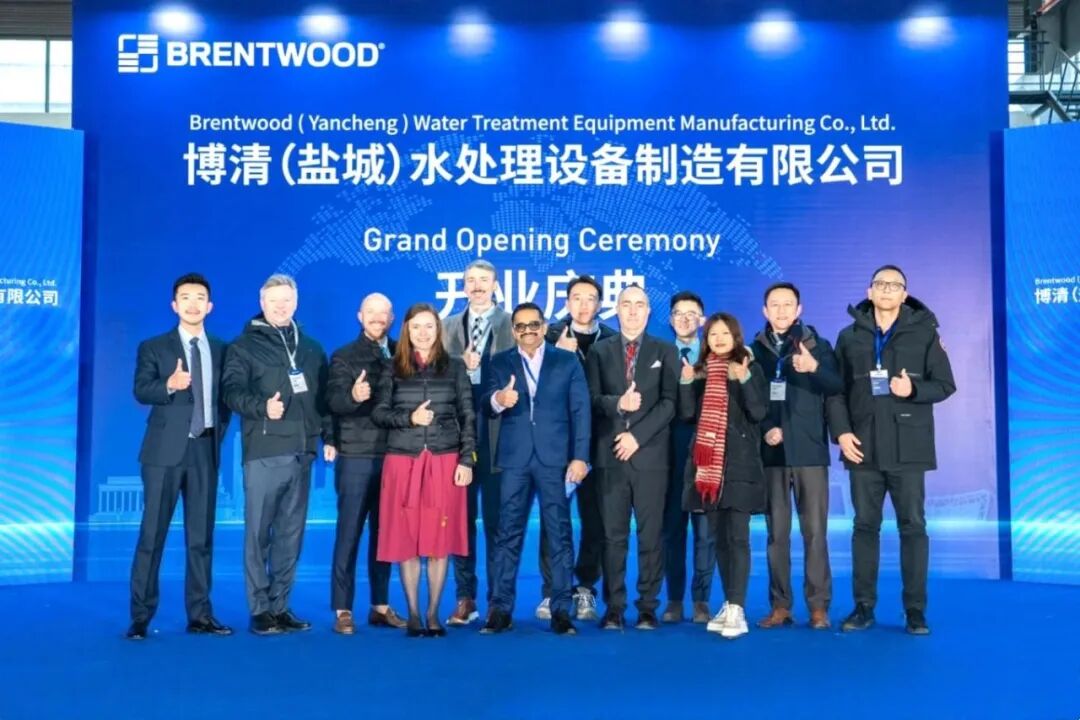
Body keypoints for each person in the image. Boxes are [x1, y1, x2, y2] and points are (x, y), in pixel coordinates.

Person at [827, 265, 955, 636]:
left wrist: (912, 390)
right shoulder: (849, 337)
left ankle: (915, 610)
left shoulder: (925, 334)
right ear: (869, 292)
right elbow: (835, 392)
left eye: (894, 285)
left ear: (904, 294)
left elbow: (945, 384)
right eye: (880, 284)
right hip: (862, 448)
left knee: (913, 527)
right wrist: (842, 433)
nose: (886, 290)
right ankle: (863, 606)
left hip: (908, 448)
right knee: (864, 527)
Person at [221, 273, 335, 636]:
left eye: (287, 300)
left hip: (304, 452)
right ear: (262, 302)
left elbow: (323, 400)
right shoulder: (244, 346)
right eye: (274, 301)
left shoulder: (311, 348)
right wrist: (261, 407)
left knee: (290, 535)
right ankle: (259, 610)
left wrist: (328, 436)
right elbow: (230, 392)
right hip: (265, 451)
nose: (281, 306)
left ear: (295, 302)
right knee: (258, 534)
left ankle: (280, 605)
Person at [127, 273, 232, 640]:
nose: (192, 303)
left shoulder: (222, 349)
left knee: (201, 538)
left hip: (204, 450)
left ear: (210, 306)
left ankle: (200, 615)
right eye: (185, 297)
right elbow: (141, 390)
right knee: (152, 536)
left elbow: (226, 400)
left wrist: (215, 433)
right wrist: (169, 385)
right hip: (163, 454)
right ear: (174, 305)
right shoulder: (154, 347)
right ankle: (140, 617)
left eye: (200, 297)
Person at [480, 303, 591, 636]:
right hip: (514, 459)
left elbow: (581, 411)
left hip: (555, 459)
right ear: (513, 330)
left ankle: (561, 610)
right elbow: (486, 402)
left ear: (543, 327)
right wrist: (499, 399)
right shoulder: (500, 362)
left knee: (559, 534)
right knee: (507, 534)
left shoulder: (566, 361)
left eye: (533, 325)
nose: (527, 331)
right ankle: (500, 610)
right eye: (520, 326)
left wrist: (580, 457)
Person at [372, 303, 476, 637]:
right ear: (406, 330)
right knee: (407, 538)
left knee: (438, 540)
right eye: (416, 326)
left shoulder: (455, 367)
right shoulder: (392, 367)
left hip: (445, 460)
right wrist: (410, 418)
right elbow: (379, 413)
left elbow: (468, 416)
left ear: (438, 330)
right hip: (403, 460)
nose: (423, 332)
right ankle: (414, 614)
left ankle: (433, 613)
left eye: (429, 326)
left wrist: (467, 460)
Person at [751, 282, 842, 631]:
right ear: (765, 310)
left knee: (815, 533)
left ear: (799, 309)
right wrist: (765, 430)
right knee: (776, 535)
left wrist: (814, 367)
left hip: (809, 452)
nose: (781, 311)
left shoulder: (818, 345)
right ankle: (780, 606)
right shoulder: (754, 351)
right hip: (772, 452)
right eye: (774, 305)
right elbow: (750, 400)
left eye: (788, 304)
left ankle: (818, 607)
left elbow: (836, 386)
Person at [586, 285, 678, 631]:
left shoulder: (665, 350)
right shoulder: (599, 351)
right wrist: (618, 404)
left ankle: (647, 607)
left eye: (640, 305)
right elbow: (592, 399)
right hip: (610, 457)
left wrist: (637, 436)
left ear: (649, 311)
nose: (633, 311)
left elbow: (670, 403)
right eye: (627, 304)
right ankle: (614, 607)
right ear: (617, 309)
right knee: (613, 536)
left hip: (650, 456)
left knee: (651, 536)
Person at [679, 312, 768, 639]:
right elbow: (687, 414)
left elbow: (758, 412)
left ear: (736, 337)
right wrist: (686, 382)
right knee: (718, 539)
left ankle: (738, 609)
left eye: (724, 334)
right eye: (713, 334)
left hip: (740, 465)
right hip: (708, 470)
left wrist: (744, 379)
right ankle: (730, 603)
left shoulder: (750, 367)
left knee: (738, 538)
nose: (718, 339)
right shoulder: (700, 372)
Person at [536, 274, 616, 622]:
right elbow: (535, 390)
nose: (584, 305)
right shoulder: (548, 337)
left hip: (598, 442)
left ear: (600, 304)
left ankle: (585, 587)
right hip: (555, 443)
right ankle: (552, 589)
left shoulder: (611, 340)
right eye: (577, 298)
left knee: (595, 520)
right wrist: (558, 358)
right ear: (567, 302)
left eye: (591, 298)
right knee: (553, 518)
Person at [325, 292, 407, 634]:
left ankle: (380, 605)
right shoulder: (344, 355)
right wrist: (352, 396)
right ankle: (343, 609)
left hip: (395, 455)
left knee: (385, 535)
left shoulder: (403, 354)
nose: (377, 318)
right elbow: (331, 401)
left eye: (383, 313)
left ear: (392, 318)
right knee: (349, 534)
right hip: (357, 455)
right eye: (370, 312)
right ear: (360, 316)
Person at [442, 259, 514, 625]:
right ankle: (464, 597)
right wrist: (460, 363)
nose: (477, 286)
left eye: (484, 280)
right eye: (470, 280)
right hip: (458, 439)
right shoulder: (446, 328)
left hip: (501, 439)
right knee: (460, 522)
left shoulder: (513, 325)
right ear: (463, 287)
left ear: (495, 285)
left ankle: (498, 601)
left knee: (498, 524)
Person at [661, 290, 717, 625]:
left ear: (702, 319)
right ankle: (673, 599)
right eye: (678, 313)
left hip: (707, 455)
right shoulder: (659, 354)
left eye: (691, 313)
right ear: (670, 320)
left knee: (706, 533)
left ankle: (701, 600)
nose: (684, 319)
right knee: (672, 531)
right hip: (668, 455)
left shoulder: (716, 355)